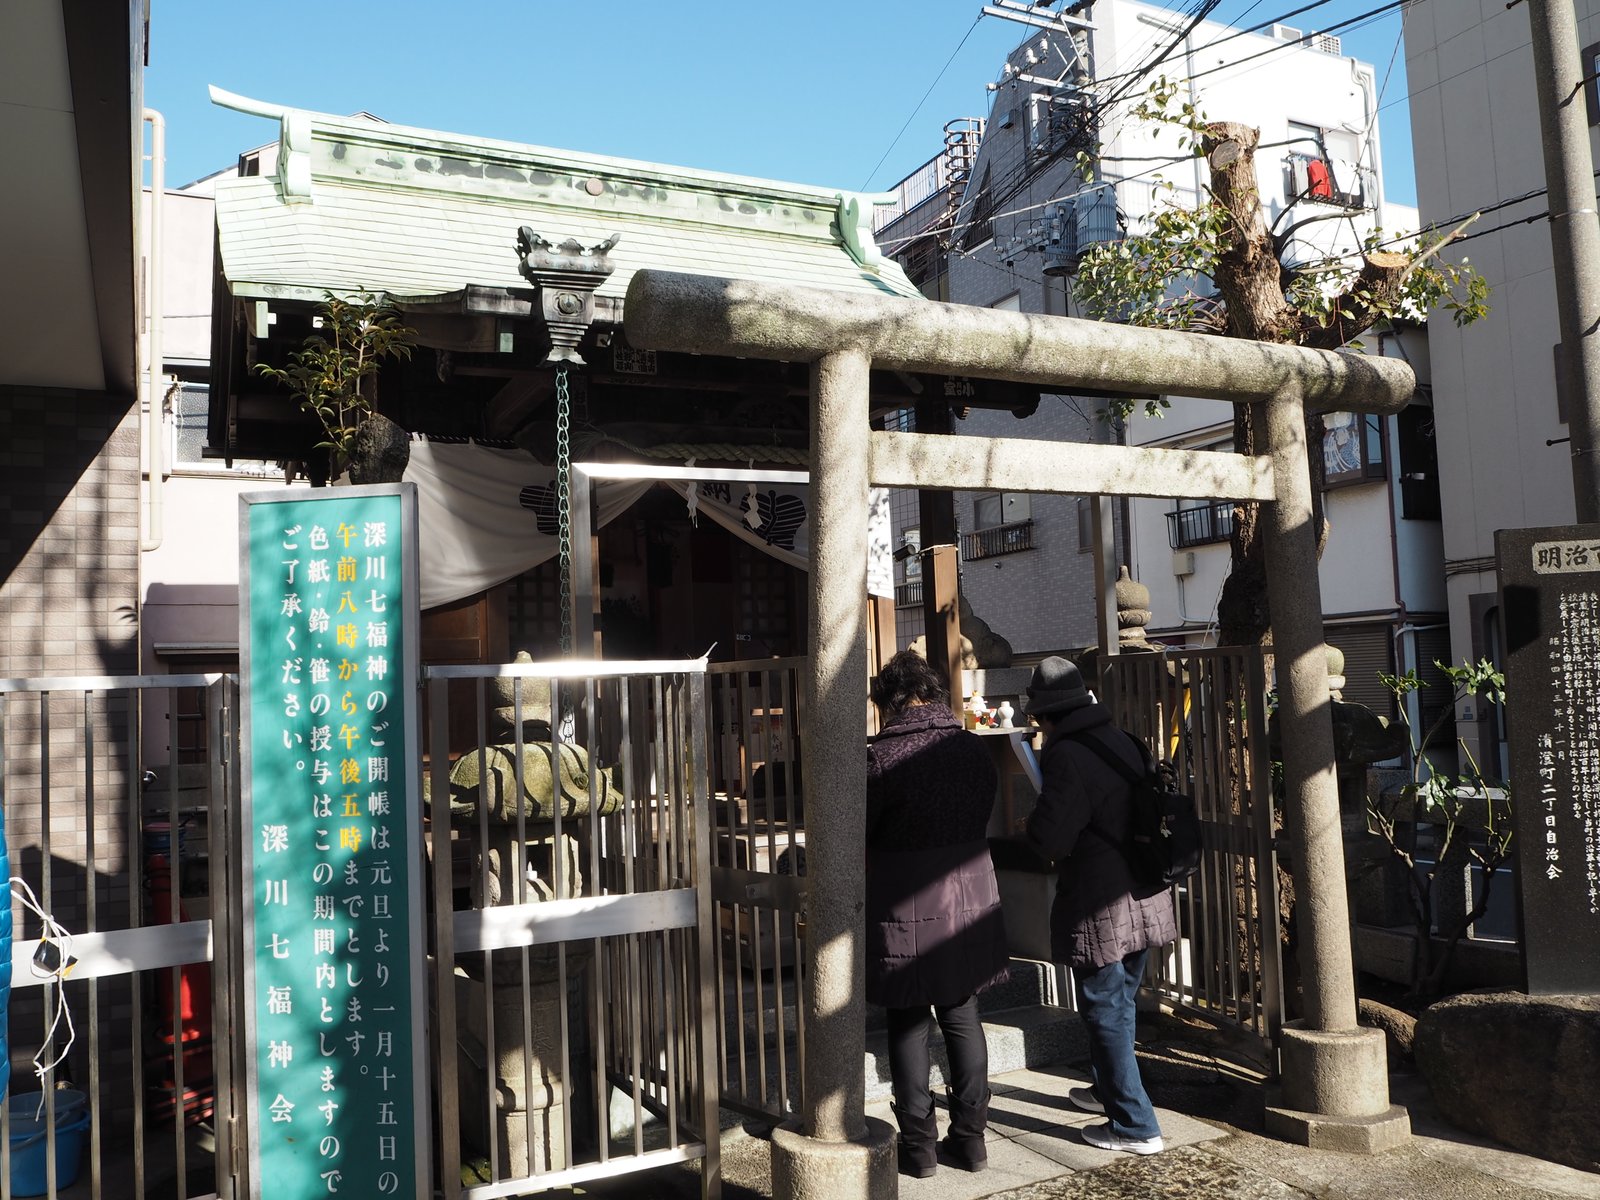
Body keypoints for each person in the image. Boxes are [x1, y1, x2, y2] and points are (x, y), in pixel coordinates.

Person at [1019, 655, 1176, 1155]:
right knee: (1121, 1002)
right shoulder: (1124, 740)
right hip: (1146, 891)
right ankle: (1105, 1090)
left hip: (1101, 902)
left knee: (1105, 1009)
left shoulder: (1066, 756)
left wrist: (1031, 821)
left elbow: (1051, 837)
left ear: (1047, 715)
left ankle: (1134, 1125)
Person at [865, 650, 1010, 1178]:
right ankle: (971, 1141)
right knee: (962, 1013)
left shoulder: (880, 757)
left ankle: (919, 1149)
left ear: (895, 700)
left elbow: (865, 829)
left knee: (906, 1021)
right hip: (970, 892)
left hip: (904, 896)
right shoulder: (972, 751)